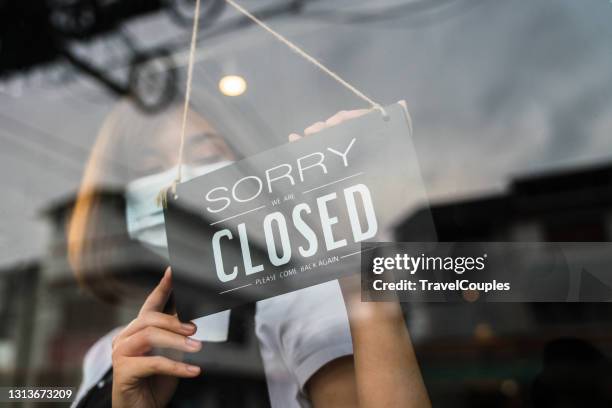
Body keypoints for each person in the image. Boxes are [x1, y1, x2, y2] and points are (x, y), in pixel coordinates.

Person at [68, 100, 430, 407]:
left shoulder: (295, 307)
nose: (178, 180)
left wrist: (360, 265)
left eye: (207, 154)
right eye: (150, 169)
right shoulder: (107, 355)